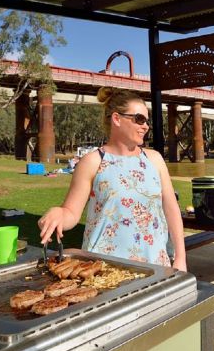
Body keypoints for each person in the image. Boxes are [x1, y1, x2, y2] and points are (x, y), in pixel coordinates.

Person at [38, 87, 186, 271]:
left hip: (154, 266)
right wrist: (58, 213)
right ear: (117, 119)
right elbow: (71, 213)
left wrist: (180, 257)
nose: (145, 126)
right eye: (139, 119)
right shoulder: (91, 162)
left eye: (146, 120)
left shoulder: (154, 159)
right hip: (104, 270)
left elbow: (171, 208)